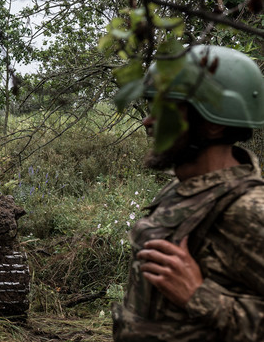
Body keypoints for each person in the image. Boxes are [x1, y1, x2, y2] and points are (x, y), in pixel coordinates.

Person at [112, 45, 264, 341]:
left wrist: (199, 296)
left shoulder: (250, 210)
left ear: (211, 125)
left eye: (165, 110)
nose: (148, 122)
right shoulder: (183, 190)